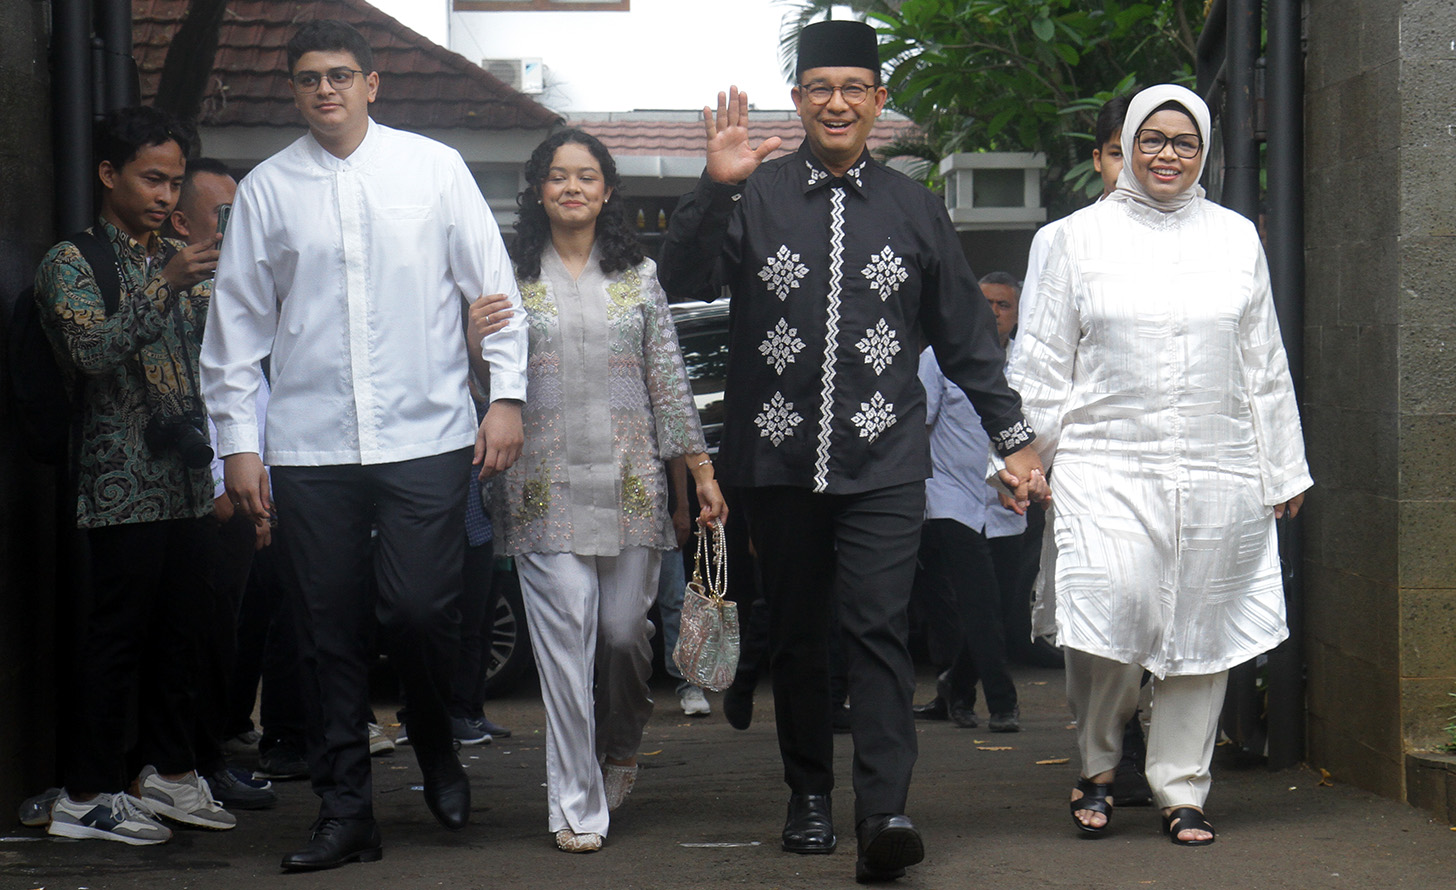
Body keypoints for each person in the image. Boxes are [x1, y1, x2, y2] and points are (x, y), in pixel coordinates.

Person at [658, 19, 1047, 884]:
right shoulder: (753, 195)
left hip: (884, 465)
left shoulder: (915, 209)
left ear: (878, 102)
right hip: (776, 462)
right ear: (799, 101)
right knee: (799, 631)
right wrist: (712, 190)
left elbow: (966, 340)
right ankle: (806, 795)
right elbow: (676, 285)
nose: (837, 102)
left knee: (877, 629)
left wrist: (1014, 441)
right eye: (819, 88)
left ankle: (883, 813)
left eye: (854, 89)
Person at [200, 19, 527, 871]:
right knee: (324, 630)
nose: (326, 91)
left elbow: (495, 292)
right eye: (308, 78)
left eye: (340, 75)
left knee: (421, 610)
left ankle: (432, 737)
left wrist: (508, 400)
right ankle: (347, 813)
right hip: (311, 446)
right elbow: (234, 325)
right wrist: (238, 443)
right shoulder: (268, 190)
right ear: (295, 90)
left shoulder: (433, 169)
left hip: (427, 432)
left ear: (372, 84)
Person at [1006, 84, 1311, 846]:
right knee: (1111, 611)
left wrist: (1283, 467)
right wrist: (1023, 460)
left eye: (1184, 142)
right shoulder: (1071, 240)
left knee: (1203, 629)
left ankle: (1181, 788)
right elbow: (1040, 362)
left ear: (1204, 151)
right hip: (1105, 463)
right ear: (1127, 144)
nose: (1167, 154)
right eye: (1152, 139)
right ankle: (1098, 767)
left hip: (1219, 463)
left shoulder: (1236, 236)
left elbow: (1262, 361)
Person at [480, 128, 726, 854]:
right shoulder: (507, 276)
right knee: (566, 641)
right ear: (537, 190)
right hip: (539, 486)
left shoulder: (638, 275)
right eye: (557, 176)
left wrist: (700, 476)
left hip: (632, 484)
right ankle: (575, 801)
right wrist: (470, 340)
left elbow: (669, 384)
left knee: (623, 637)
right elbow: (485, 386)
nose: (572, 188)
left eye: (586, 176)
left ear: (608, 190)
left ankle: (621, 746)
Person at [36, 107, 235, 844]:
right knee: (115, 640)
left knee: (185, 635)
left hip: (185, 480)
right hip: (118, 485)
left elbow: (220, 342)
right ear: (109, 173)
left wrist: (213, 277)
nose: (165, 195)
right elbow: (90, 352)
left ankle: (169, 774)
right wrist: (169, 284)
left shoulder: (171, 255)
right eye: (153, 178)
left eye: (176, 182)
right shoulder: (73, 261)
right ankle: (85, 794)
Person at [167, 158, 279, 811]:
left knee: (229, 633)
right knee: (202, 637)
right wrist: (220, 485)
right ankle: (197, 767)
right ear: (184, 223)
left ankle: (214, 755)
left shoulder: (230, 290)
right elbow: (192, 400)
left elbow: (252, 394)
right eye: (224, 217)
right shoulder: (186, 295)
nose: (239, 229)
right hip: (207, 500)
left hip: (243, 495)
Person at [910, 272, 1028, 733]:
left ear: (1018, 316)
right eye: (986, 303)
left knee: (999, 607)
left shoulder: (1025, 366)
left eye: (1004, 305)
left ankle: (954, 691)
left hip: (1006, 506)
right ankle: (1003, 704)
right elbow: (918, 427)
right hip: (950, 497)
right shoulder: (939, 359)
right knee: (979, 604)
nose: (993, 312)